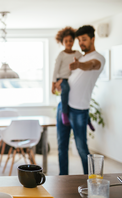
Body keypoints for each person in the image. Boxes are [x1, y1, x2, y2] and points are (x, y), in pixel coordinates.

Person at [55, 25, 105, 175]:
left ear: (92, 39)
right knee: (62, 146)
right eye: (79, 40)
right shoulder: (80, 56)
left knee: (82, 148)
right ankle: (63, 177)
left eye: (84, 39)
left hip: (79, 110)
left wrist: (79, 65)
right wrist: (59, 84)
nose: (81, 43)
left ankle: (89, 179)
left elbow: (91, 66)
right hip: (63, 107)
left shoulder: (98, 58)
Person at [52, 27, 82, 125]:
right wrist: (53, 84)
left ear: (74, 41)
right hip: (62, 79)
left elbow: (83, 63)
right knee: (65, 90)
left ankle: (88, 119)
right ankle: (64, 113)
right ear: (62, 42)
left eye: (70, 40)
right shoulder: (61, 55)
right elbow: (55, 69)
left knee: (80, 95)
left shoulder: (78, 54)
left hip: (72, 79)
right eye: (66, 41)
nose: (69, 43)